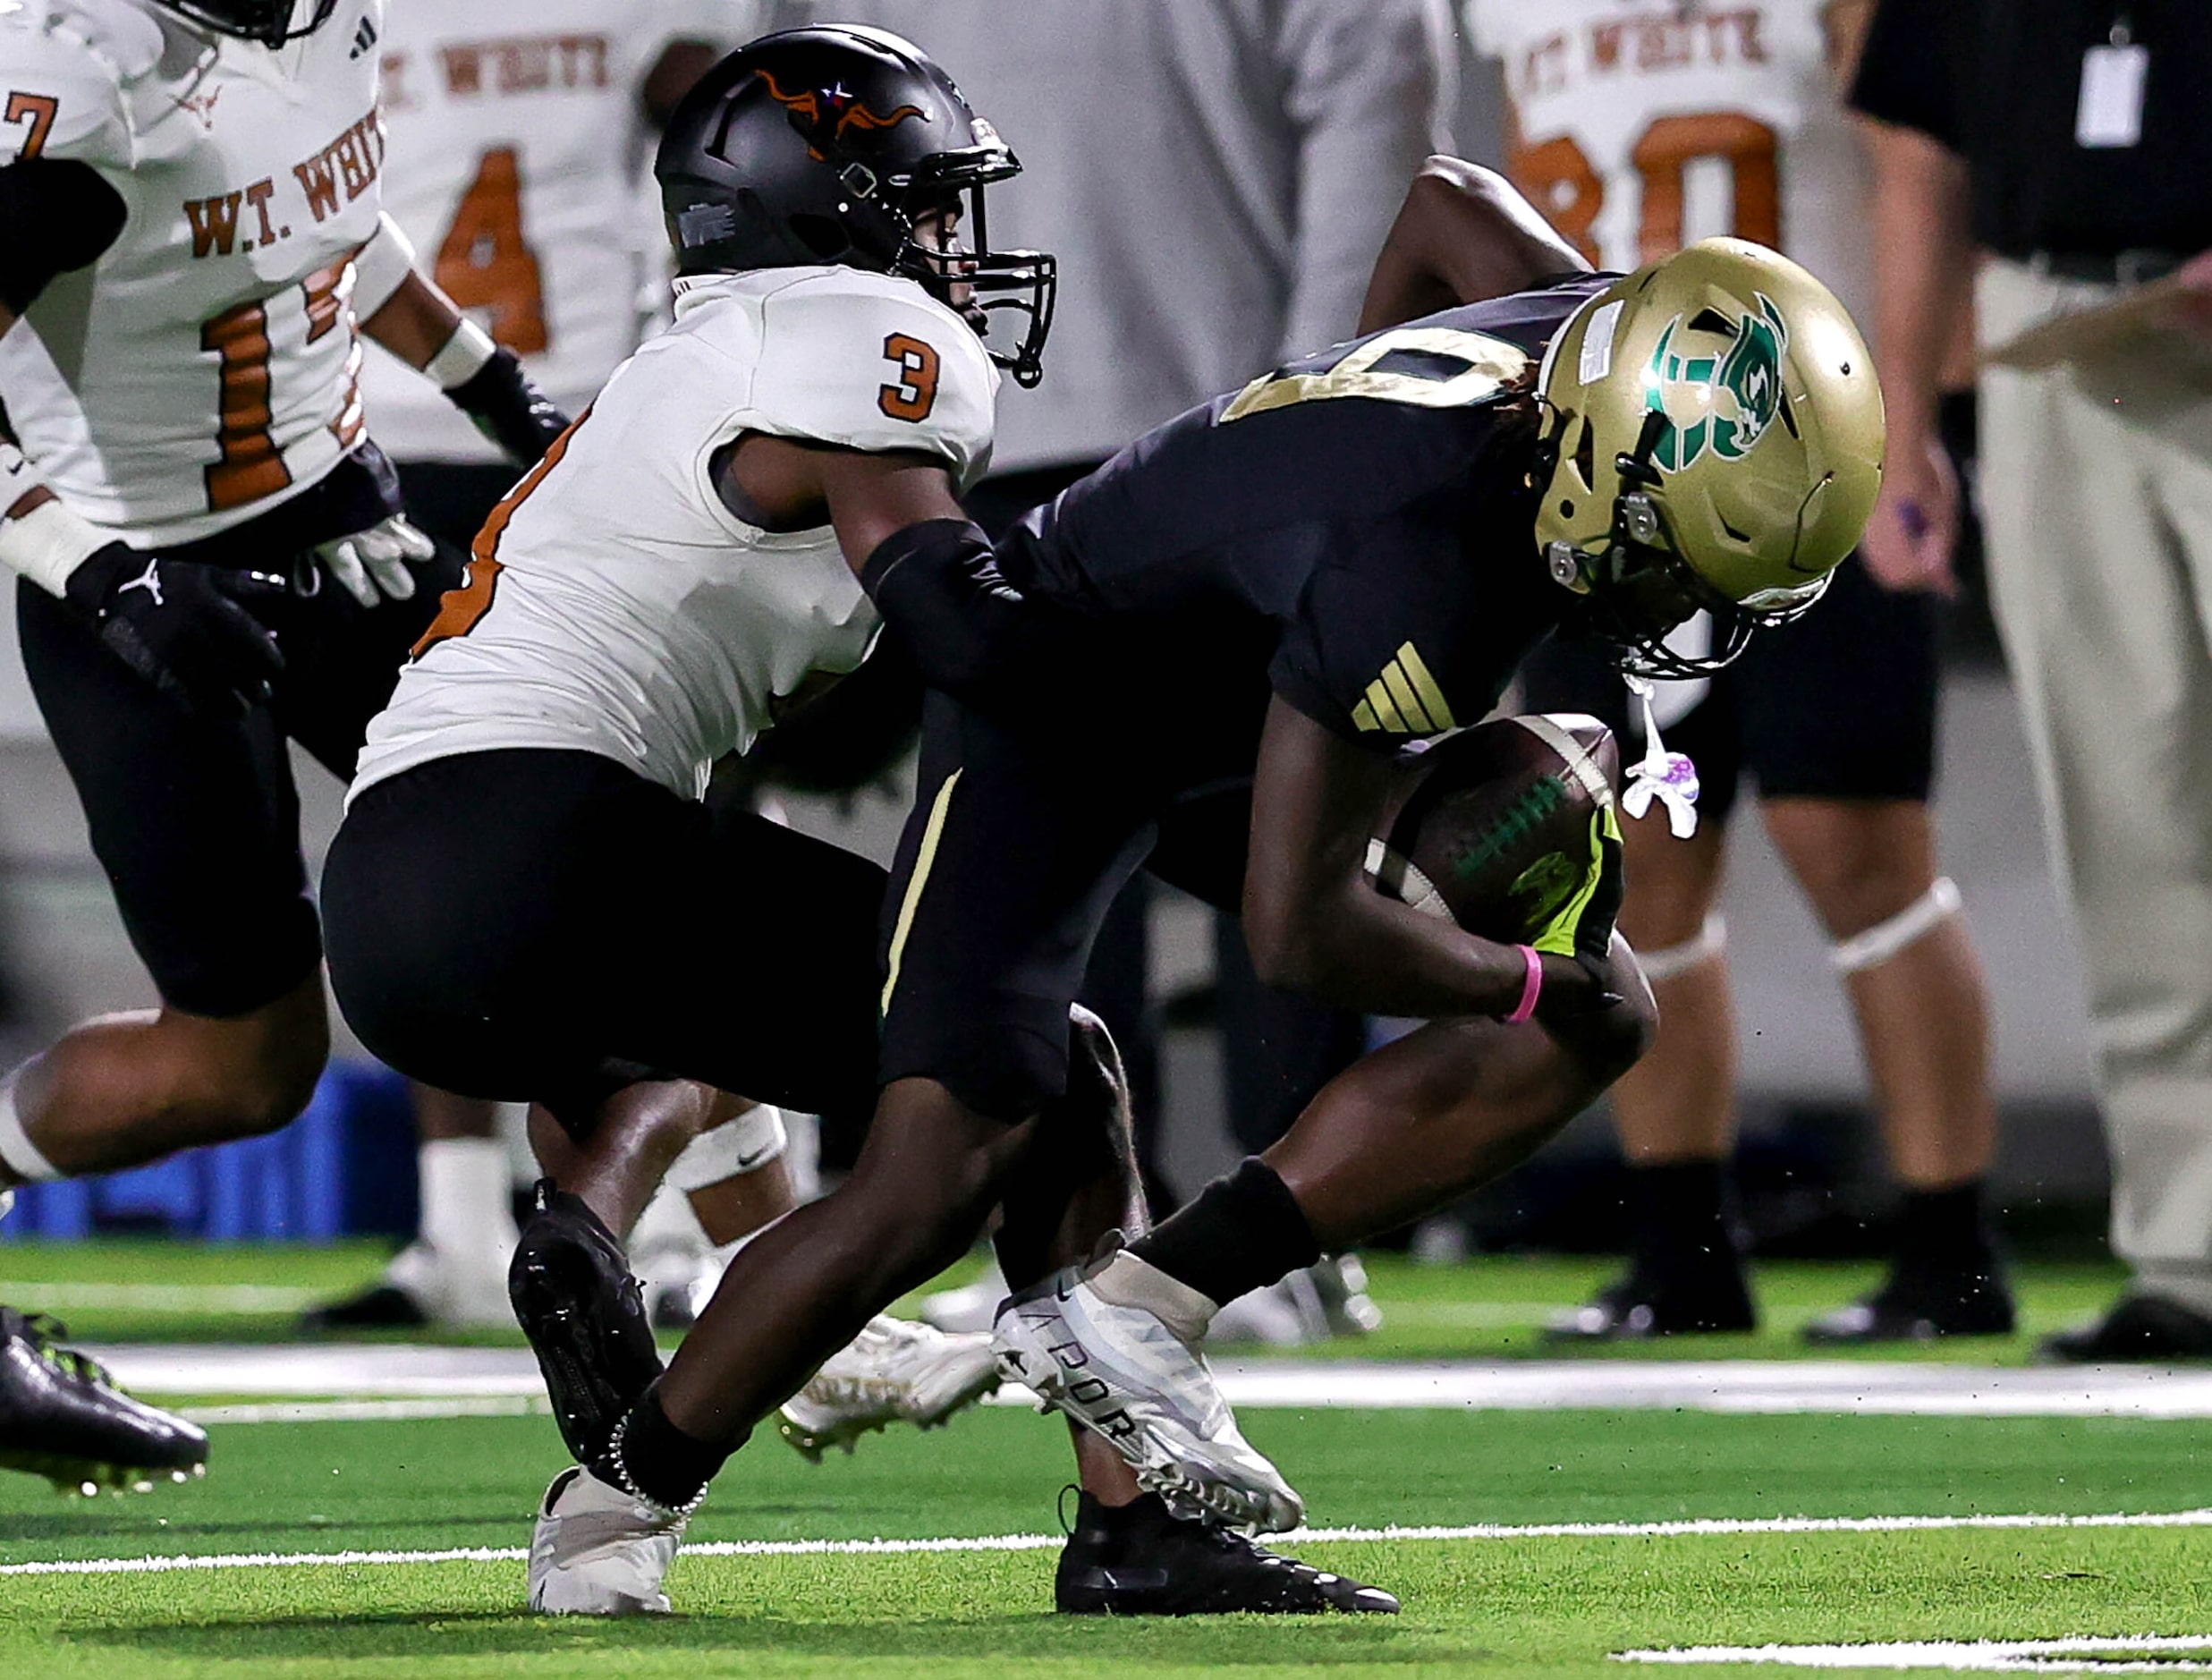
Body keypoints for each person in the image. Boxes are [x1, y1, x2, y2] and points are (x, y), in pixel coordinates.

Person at [505, 150, 1884, 1608]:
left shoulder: (1594, 339)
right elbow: (1301, 937)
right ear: (1617, 455)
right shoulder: (1425, 575)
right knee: (938, 1169)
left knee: (1601, 1011)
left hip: (1249, 678)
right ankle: (614, 1498)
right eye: (1676, 558)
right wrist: (1519, 971)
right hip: (1063, 695)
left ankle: (1135, 1471)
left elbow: (1437, 199)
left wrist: (1327, 428)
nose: (1675, 603)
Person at [322, 27, 1384, 1616]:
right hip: (553, 826)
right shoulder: (858, 332)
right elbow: (962, 633)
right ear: (844, 207)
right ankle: (1112, 1515)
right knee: (1042, 1069)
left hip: (400, 882)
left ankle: (587, 1228)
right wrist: (1223, 709)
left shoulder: (694, 361)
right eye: (929, 204)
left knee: (728, 1036)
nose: (955, 248)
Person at [754, 0, 1454, 1347]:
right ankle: (1076, 1225)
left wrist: (1322, 405)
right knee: (1052, 849)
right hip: (976, 423)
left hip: (1222, 424)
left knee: (1288, 820)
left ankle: (1283, 1221)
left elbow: (1378, 135)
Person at [0, 0, 570, 1488]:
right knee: (245, 1062)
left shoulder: (321, 23)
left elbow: (327, 219)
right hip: (137, 582)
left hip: (342, 526)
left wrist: (485, 382)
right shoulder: (79, 76)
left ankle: (765, 1265)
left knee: (553, 872)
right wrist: (107, 576)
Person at [1468, 0, 2009, 1344]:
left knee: (1857, 842)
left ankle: (1949, 1243)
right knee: (1626, 860)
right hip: (1602, 482)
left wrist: (1916, 407)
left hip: (1807, 456)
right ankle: (1680, 1248)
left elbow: (1908, 157)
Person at [304, 0, 732, 1334]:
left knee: (664, 815)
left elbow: (725, 134)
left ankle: (696, 1214)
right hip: (416, 433)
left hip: (571, 426)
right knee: (434, 804)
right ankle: (455, 1224)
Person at [1852, 0, 2212, 1360]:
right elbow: (1916, 149)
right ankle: (2191, 1256)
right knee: (2126, 818)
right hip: (2048, 333)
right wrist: (1903, 423)